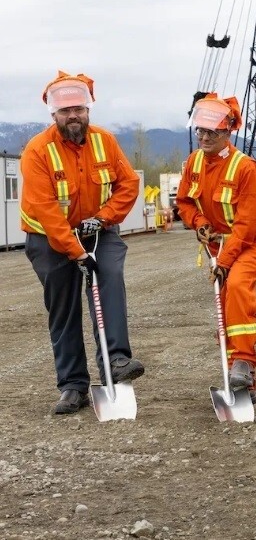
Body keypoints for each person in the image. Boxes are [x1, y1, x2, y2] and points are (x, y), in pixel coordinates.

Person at [20, 71, 144, 415]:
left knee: (109, 278)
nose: (73, 115)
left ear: (88, 109)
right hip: (48, 238)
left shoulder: (105, 141)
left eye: (79, 108)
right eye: (65, 111)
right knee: (64, 308)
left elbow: (128, 184)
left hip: (98, 230)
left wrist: (104, 217)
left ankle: (115, 362)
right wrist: (75, 252)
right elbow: (46, 211)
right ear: (53, 114)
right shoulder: (37, 152)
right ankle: (73, 386)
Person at [175, 93, 256, 404]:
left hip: (251, 241)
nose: (203, 137)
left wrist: (225, 260)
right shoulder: (193, 163)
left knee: (238, 287)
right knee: (225, 305)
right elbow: (184, 202)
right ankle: (243, 379)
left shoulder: (247, 169)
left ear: (227, 132)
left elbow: (245, 224)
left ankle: (243, 363)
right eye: (200, 131)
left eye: (211, 133)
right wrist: (199, 222)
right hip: (217, 243)